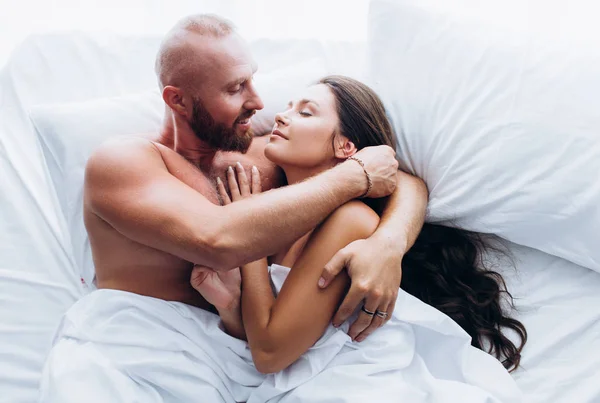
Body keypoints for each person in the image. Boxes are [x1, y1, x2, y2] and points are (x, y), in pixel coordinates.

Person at [38, 14, 427, 403]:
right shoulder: (122, 162)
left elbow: (397, 178)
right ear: (179, 100)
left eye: (252, 80)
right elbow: (218, 238)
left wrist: (389, 243)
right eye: (236, 88)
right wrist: (354, 177)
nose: (259, 103)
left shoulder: (267, 157)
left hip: (231, 366)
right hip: (130, 354)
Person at [193, 75, 526, 403]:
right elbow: (263, 340)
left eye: (305, 113)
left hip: (357, 383)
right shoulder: (285, 221)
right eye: (288, 107)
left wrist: (249, 237)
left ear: (346, 146)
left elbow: (270, 353)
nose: (282, 115)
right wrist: (228, 308)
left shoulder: (350, 220)